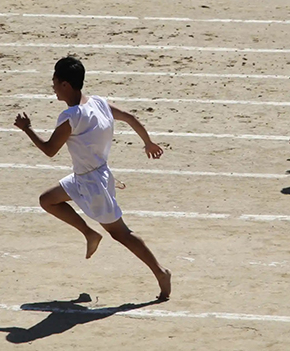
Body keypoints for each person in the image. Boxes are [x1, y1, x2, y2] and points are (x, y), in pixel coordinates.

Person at [13, 56, 172, 301]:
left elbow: (49, 149)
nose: (53, 85)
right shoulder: (98, 103)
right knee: (47, 199)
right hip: (89, 176)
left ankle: (160, 272)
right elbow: (129, 117)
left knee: (121, 234)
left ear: (66, 84)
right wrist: (147, 142)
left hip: (93, 184)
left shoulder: (71, 116)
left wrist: (27, 129)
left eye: (55, 81)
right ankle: (89, 233)